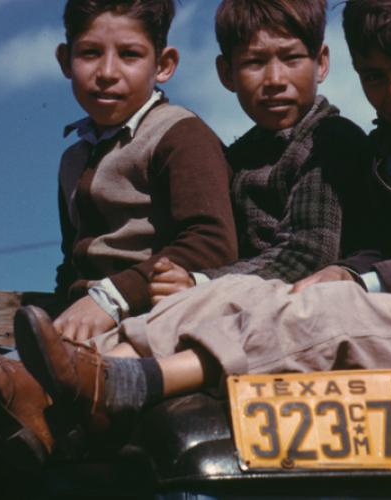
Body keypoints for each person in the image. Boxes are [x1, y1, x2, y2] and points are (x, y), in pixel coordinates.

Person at [0, 0, 391, 458]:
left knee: (320, 308)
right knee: (234, 293)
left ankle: (130, 379)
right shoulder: (390, 146)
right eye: (375, 77)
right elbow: (381, 246)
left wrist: (353, 275)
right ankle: (23, 405)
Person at [0, 0, 237, 461]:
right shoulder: (75, 157)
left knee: (19, 390)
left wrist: (112, 297)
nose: (107, 72)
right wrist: (57, 314)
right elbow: (72, 262)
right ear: (65, 61)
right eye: (90, 54)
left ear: (164, 65)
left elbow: (211, 242)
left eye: (129, 55)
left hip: (154, 319)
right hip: (86, 330)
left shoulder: (180, 136)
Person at [145, 0, 370, 306]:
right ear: (226, 73)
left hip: (314, 304)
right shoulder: (238, 156)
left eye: (291, 58)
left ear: (321, 63)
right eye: (254, 62)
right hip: (248, 302)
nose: (275, 80)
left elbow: (307, 257)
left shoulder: (329, 141)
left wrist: (200, 285)